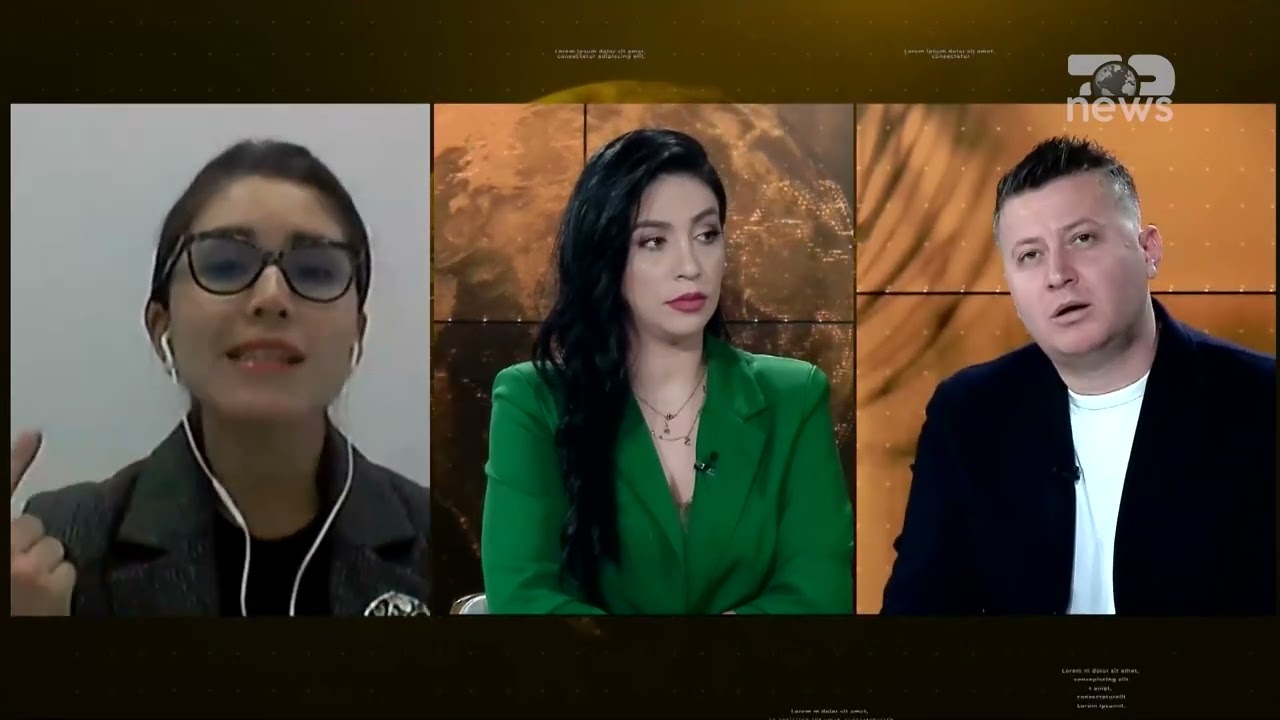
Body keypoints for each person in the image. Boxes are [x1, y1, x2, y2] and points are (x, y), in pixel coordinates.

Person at [9, 139, 430, 617]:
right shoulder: (62, 546)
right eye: (225, 265)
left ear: (357, 331)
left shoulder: (443, 541)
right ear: (161, 326)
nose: (271, 297)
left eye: (315, 270)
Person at [881, 136, 1276, 617]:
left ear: (1148, 251)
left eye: (1082, 239)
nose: (1057, 274)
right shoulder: (968, 414)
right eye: (1030, 255)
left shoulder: (1259, 402)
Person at [480, 128, 854, 614]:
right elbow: (524, 596)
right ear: (605, 255)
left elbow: (820, 590)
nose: (690, 266)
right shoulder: (532, 401)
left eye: (706, 235)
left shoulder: (794, 396)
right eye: (654, 241)